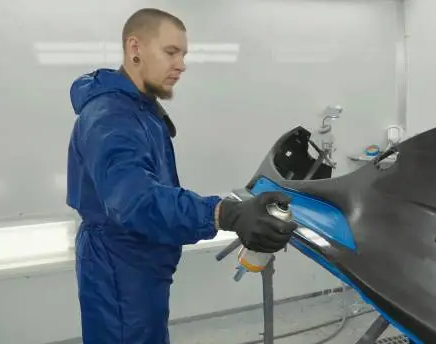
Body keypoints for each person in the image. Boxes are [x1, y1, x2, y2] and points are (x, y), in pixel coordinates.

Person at [66, 8, 298, 344]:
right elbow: (136, 200)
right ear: (135, 49)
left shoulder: (138, 108)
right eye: (171, 52)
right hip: (119, 270)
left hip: (137, 265)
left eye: (184, 54)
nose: (181, 65)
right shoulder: (112, 118)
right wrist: (223, 212)